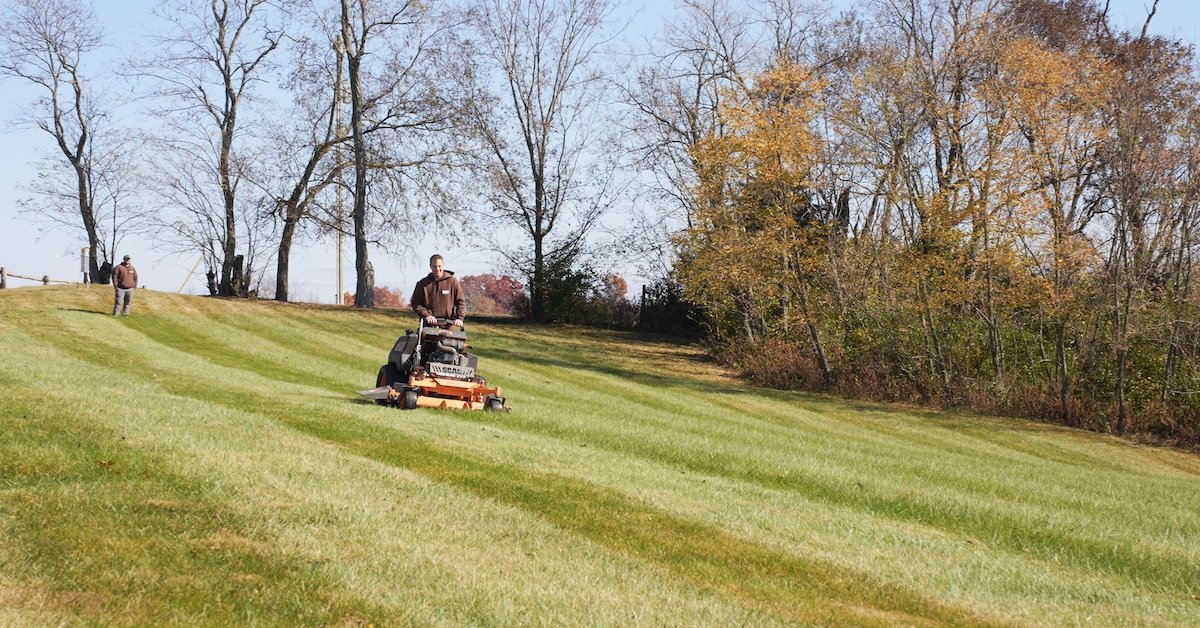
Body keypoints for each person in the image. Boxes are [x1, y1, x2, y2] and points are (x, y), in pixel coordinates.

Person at [411, 254, 465, 327]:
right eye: (434, 266)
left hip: (448, 325)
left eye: (439, 266)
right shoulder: (422, 284)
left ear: (443, 265)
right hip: (428, 325)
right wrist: (426, 315)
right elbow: (416, 303)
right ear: (430, 266)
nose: (437, 269)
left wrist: (460, 318)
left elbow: (460, 302)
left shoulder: (453, 282)